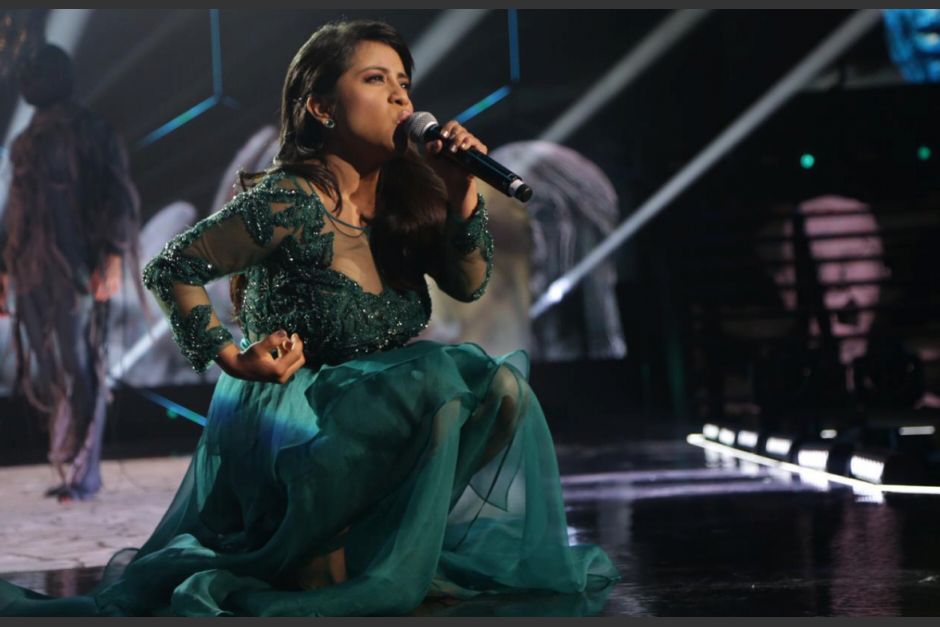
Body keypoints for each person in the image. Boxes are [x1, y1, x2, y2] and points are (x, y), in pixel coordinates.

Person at [0, 21, 618, 617]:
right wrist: (232, 358)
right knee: (435, 382)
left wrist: (460, 191)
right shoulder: (287, 200)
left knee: (498, 387)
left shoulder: (410, 198)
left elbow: (468, 281)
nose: (401, 97)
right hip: (296, 420)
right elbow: (171, 267)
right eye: (376, 79)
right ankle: (317, 546)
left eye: (404, 82)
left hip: (375, 409)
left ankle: (382, 544)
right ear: (321, 107)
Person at [0, 44, 143, 502]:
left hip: (75, 265)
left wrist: (113, 254)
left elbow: (118, 195)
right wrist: (5, 270)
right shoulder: (24, 141)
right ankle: (68, 458)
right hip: (31, 269)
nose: (29, 81)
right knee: (48, 367)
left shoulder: (91, 130)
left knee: (78, 361)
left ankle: (84, 473)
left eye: (37, 72)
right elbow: (16, 212)